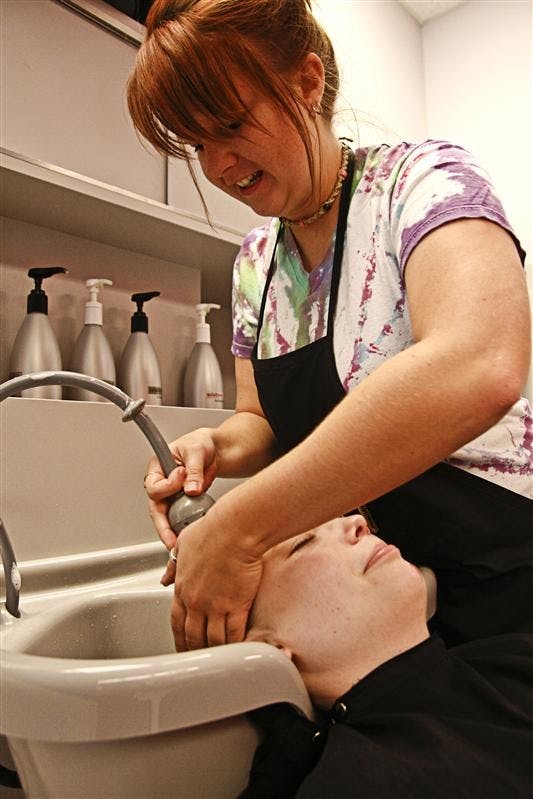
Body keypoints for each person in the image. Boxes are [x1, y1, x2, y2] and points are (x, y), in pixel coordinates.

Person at [128, 0, 532, 652]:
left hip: (508, 577)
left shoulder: (421, 182)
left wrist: (239, 528)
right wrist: (213, 447)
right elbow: (258, 419)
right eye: (199, 144)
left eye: (231, 124)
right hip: (381, 601)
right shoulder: (256, 265)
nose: (220, 164)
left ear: (307, 82)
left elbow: (478, 362)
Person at [238, 515, 533, 798]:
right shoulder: (352, 786)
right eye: (304, 543)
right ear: (270, 648)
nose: (357, 522)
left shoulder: (514, 657)